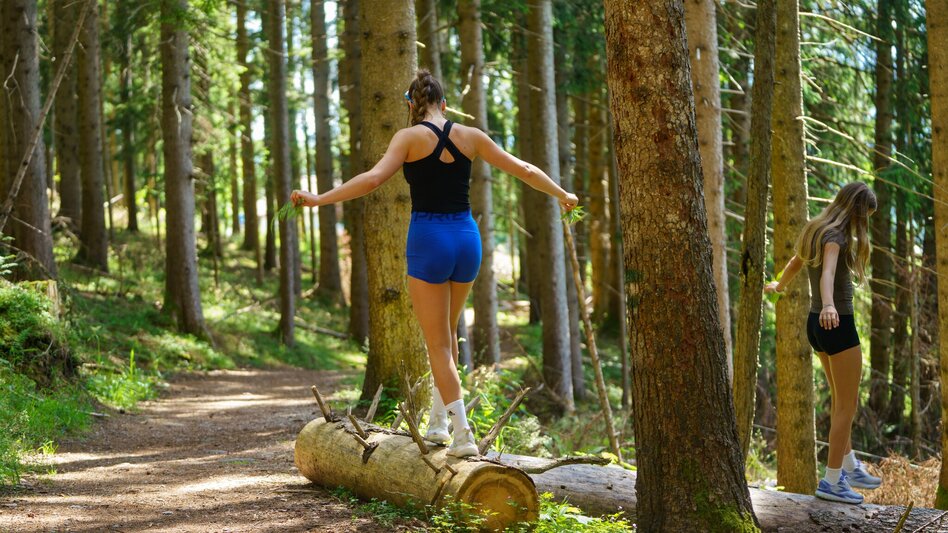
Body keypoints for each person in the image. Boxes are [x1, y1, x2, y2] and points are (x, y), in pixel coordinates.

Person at [291, 70, 578, 457]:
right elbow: (523, 170)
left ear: (412, 105)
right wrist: (562, 193)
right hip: (467, 239)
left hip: (428, 240)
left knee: (438, 343)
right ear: (443, 104)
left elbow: (374, 179)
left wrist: (319, 198)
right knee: (447, 333)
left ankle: (463, 436)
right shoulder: (471, 136)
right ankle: (440, 424)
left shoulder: (408, 137)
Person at [764, 182, 881, 504]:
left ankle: (849, 465)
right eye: (865, 216)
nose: (864, 223)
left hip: (815, 324)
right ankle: (832, 481)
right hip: (836, 322)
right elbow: (828, 273)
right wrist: (830, 305)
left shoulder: (815, 228)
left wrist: (779, 286)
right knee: (847, 405)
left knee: (839, 399)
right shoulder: (836, 237)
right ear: (857, 210)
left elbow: (794, 263)